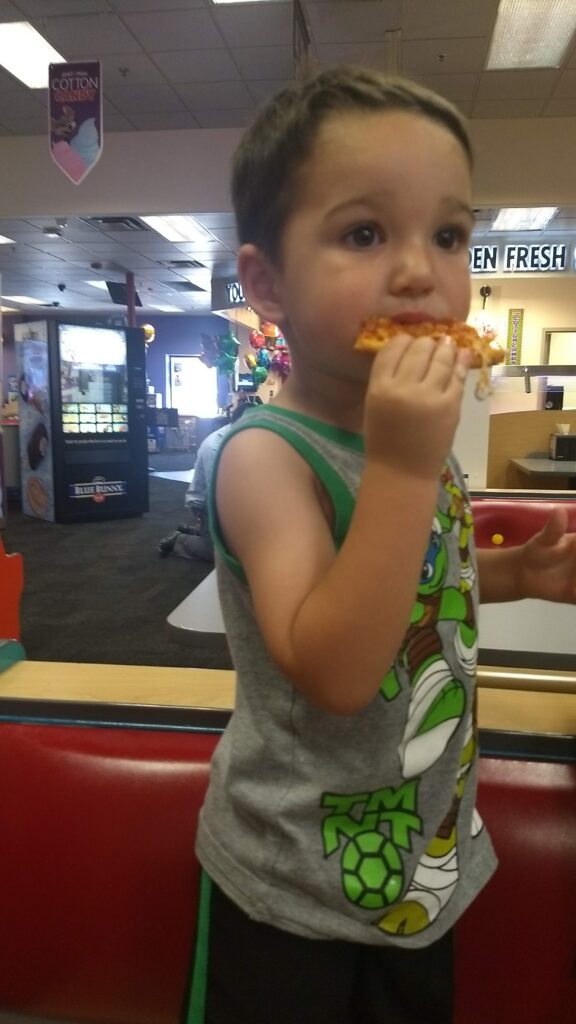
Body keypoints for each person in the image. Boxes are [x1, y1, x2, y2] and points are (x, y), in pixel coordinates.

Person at [187, 67, 576, 1024]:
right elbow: (336, 668)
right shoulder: (263, 460)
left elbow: (414, 583)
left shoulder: (403, 436)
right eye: (365, 233)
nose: (418, 270)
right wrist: (406, 469)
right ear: (266, 282)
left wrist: (516, 571)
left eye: (448, 234)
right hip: (289, 886)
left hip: (419, 863)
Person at [157, 402, 249, 561]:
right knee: (221, 554)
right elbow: (218, 492)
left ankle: (196, 531)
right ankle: (179, 540)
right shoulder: (215, 446)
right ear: (239, 423)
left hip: (228, 500)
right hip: (206, 504)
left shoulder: (241, 438)